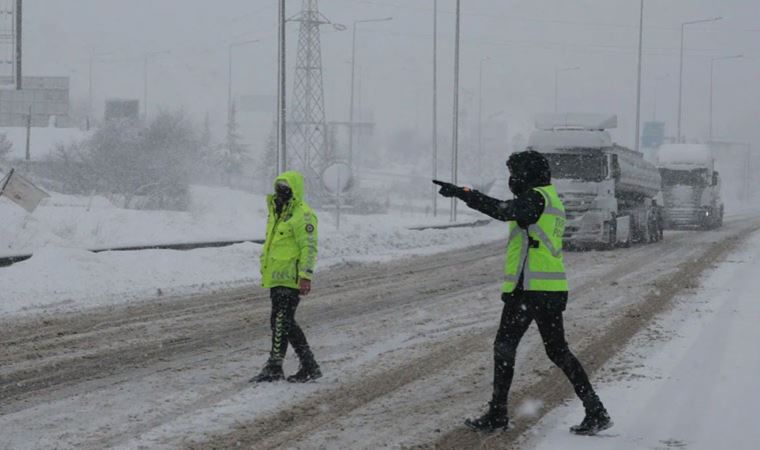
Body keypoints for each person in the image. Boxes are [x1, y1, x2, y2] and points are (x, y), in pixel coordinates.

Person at [433, 150, 612, 436]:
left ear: (528, 174)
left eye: (515, 173)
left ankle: (497, 414)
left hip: (531, 291)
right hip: (549, 289)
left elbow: (504, 211)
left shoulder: (536, 198)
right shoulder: (551, 198)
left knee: (504, 348)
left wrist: (465, 194)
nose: (512, 179)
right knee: (557, 351)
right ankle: (595, 410)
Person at [252, 170, 321, 383]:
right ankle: (309, 365)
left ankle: (276, 365)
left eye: (286, 188)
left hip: (291, 277)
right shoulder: (277, 212)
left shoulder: (303, 215)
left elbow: (309, 247)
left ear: (295, 190)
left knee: (283, 321)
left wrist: (306, 275)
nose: (281, 192)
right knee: (282, 322)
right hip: (276, 276)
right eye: (278, 188)